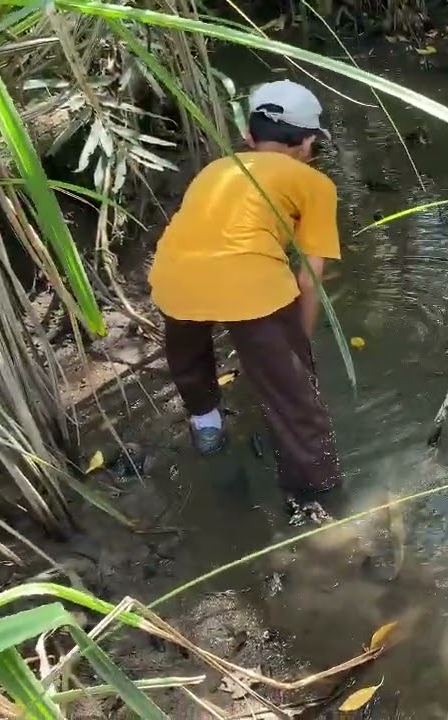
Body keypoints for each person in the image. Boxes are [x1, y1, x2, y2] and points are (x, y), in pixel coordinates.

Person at [148, 79, 343, 526]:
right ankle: (317, 496)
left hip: (172, 279)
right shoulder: (313, 183)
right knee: (297, 404)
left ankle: (207, 427)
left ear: (249, 139)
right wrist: (299, 346)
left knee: (190, 358)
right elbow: (309, 277)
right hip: (248, 286)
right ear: (308, 142)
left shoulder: (216, 170)